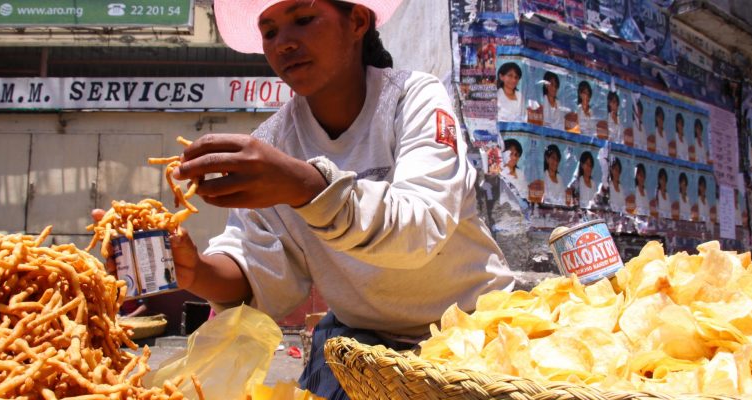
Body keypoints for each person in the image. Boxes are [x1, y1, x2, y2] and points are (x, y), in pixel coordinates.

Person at [95, 2, 515, 399]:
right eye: (270, 30)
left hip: (478, 332)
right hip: (363, 342)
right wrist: (195, 269)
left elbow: (420, 229)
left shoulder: (413, 99)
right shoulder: (274, 142)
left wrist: (304, 186)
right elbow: (263, 275)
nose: (284, 43)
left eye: (303, 19)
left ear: (357, 22)